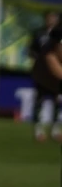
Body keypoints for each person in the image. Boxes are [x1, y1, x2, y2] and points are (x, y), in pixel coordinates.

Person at [30, 10, 61, 142]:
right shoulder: (39, 34)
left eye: (54, 18)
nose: (51, 20)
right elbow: (31, 51)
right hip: (42, 73)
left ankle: (55, 130)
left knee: (57, 101)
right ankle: (39, 130)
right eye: (49, 18)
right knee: (39, 100)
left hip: (56, 73)